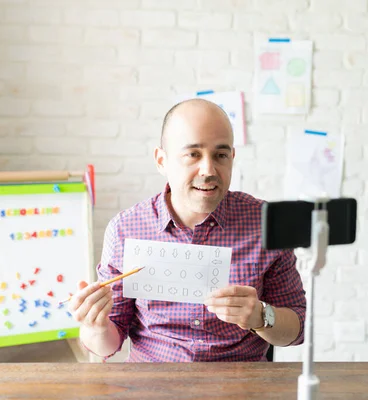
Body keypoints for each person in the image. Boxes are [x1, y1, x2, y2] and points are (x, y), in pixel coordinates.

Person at [69, 99, 306, 362]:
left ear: (232, 158)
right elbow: (106, 346)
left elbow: (297, 330)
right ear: (161, 160)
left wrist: (261, 316)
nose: (208, 170)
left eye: (221, 155)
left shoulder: (267, 223)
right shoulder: (126, 229)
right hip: (153, 385)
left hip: (239, 385)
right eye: (193, 154)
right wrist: (95, 325)